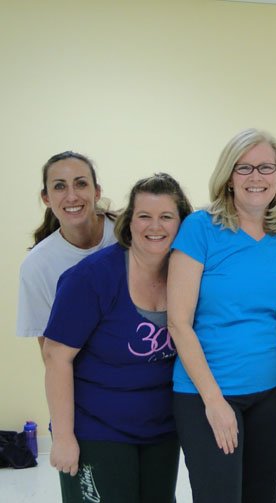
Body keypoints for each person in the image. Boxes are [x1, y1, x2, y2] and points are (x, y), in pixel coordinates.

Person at [167, 128, 276, 503]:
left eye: (265, 167)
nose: (256, 177)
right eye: (244, 168)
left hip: (272, 389)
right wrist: (214, 401)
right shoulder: (200, 228)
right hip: (206, 392)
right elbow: (178, 322)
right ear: (228, 176)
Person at [43, 173, 192, 503]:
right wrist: (64, 436)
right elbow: (56, 356)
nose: (155, 226)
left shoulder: (188, 273)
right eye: (144, 216)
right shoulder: (92, 278)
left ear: (182, 223)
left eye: (166, 216)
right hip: (97, 428)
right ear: (129, 222)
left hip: (161, 430)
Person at [17, 151, 117, 352]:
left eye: (81, 184)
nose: (72, 196)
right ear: (46, 198)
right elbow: (51, 353)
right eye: (60, 186)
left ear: (96, 192)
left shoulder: (127, 235)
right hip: (88, 377)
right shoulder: (36, 266)